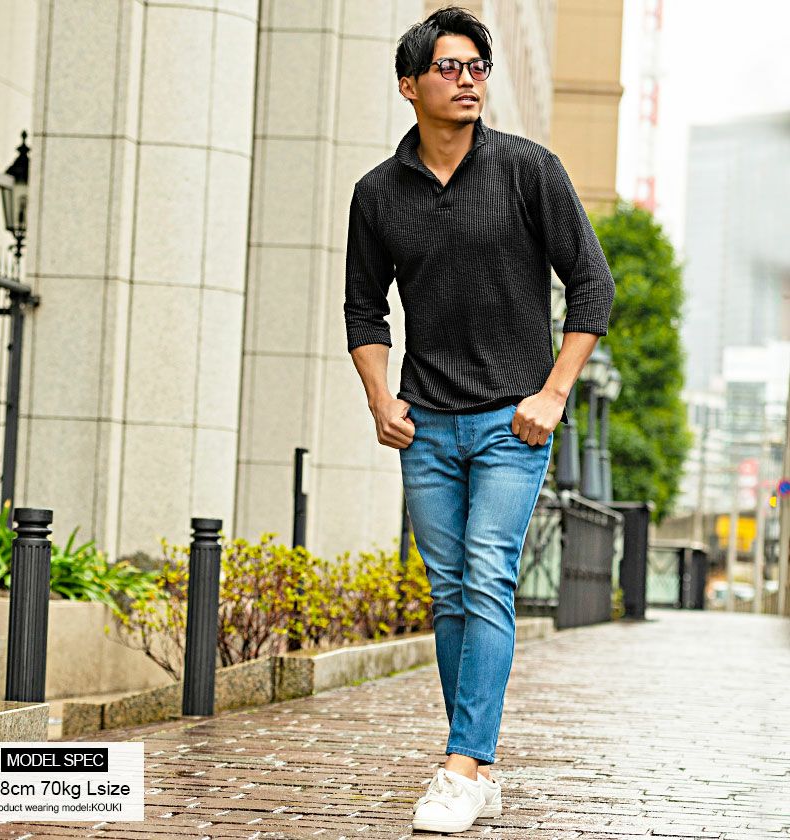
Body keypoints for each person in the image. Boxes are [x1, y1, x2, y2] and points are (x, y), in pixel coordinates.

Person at [343, 5, 615, 833]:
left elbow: (592, 284)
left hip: (512, 423)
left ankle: (462, 765)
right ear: (409, 85)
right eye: (449, 67)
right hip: (425, 425)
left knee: (488, 575)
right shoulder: (377, 194)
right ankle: (478, 767)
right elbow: (363, 308)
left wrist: (553, 393)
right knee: (451, 595)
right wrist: (380, 398)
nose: (468, 81)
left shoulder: (530, 171)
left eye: (477, 67)